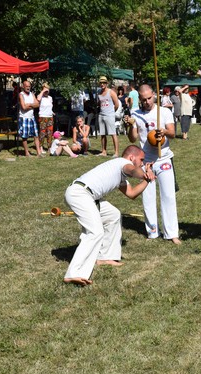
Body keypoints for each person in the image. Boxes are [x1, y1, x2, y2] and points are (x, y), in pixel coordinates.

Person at [63, 145, 156, 286]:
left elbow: (132, 194)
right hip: (79, 194)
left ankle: (105, 257)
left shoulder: (119, 173)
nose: (142, 163)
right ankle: (74, 273)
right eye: (141, 160)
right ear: (132, 157)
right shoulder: (123, 164)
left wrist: (146, 179)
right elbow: (133, 170)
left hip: (89, 196)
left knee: (113, 215)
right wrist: (145, 173)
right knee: (95, 232)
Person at [126, 84, 181, 244]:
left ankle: (171, 233)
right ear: (140, 99)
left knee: (168, 195)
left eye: (149, 98)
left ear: (154, 96)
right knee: (148, 197)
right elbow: (133, 138)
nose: (147, 102)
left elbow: (173, 133)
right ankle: (152, 232)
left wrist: (163, 131)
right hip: (146, 161)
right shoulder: (135, 114)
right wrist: (130, 126)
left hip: (164, 159)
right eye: (144, 100)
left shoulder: (164, 112)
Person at [17, 80, 43, 157]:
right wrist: (32, 105)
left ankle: (39, 153)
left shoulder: (32, 94)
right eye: (26, 86)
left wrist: (29, 104)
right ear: (23, 86)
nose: (28, 88)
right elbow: (23, 107)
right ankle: (27, 153)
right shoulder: (21, 95)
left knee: (36, 135)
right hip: (24, 117)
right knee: (25, 136)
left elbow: (37, 104)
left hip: (31, 117)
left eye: (29, 86)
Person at [97, 76, 120, 157]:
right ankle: (104, 151)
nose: (102, 84)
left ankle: (116, 152)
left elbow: (117, 104)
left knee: (113, 133)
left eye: (104, 83)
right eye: (101, 83)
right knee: (102, 134)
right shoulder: (99, 92)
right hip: (101, 115)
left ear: (106, 83)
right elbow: (99, 103)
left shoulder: (111, 92)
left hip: (109, 115)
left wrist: (112, 112)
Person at [37, 83, 54, 151]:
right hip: (42, 116)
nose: (46, 91)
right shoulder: (40, 96)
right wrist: (42, 91)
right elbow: (38, 99)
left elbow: (50, 106)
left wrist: (52, 112)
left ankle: (49, 147)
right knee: (42, 132)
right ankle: (40, 147)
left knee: (50, 132)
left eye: (47, 90)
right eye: (45, 90)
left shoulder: (50, 98)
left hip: (50, 116)